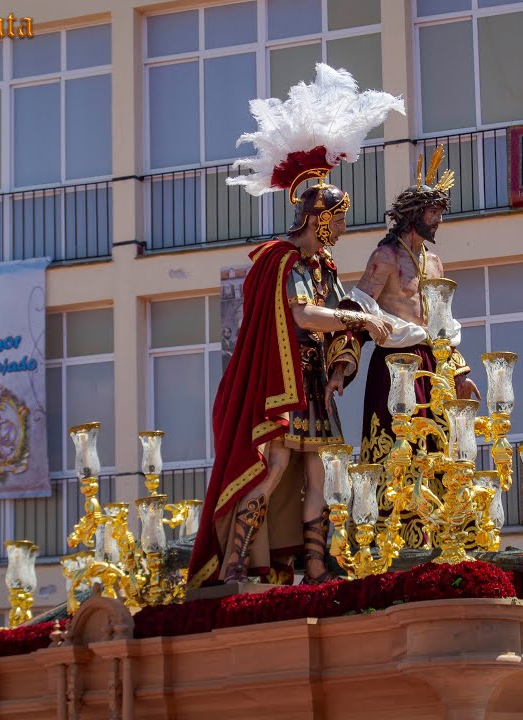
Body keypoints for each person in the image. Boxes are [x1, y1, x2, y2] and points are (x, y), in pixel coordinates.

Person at [186, 63, 403, 589]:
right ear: (317, 217)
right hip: (278, 384)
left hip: (310, 383)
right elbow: (304, 315)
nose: (342, 230)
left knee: (318, 473)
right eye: (338, 219)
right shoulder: (282, 262)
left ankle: (314, 564)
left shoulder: (322, 268)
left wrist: (339, 368)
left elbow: (332, 323)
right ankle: (235, 563)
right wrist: (360, 315)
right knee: (274, 466)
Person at [339, 146, 479, 546]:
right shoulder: (384, 256)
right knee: (396, 446)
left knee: (440, 445)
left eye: (440, 213)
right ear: (414, 214)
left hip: (435, 364)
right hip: (395, 364)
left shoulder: (434, 263)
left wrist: (462, 373)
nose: (439, 221)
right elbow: (358, 309)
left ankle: (441, 530)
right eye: (433, 213)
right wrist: (340, 366)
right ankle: (389, 535)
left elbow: (443, 323)